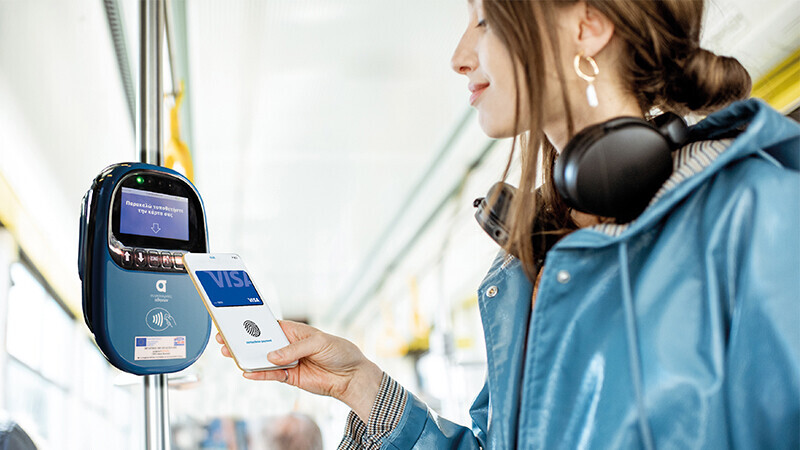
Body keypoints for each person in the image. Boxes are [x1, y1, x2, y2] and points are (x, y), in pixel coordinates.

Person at [218, 0, 800, 448]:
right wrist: (359, 385)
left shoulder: (757, 214)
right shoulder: (528, 262)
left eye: (485, 20)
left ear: (587, 24)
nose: (459, 56)